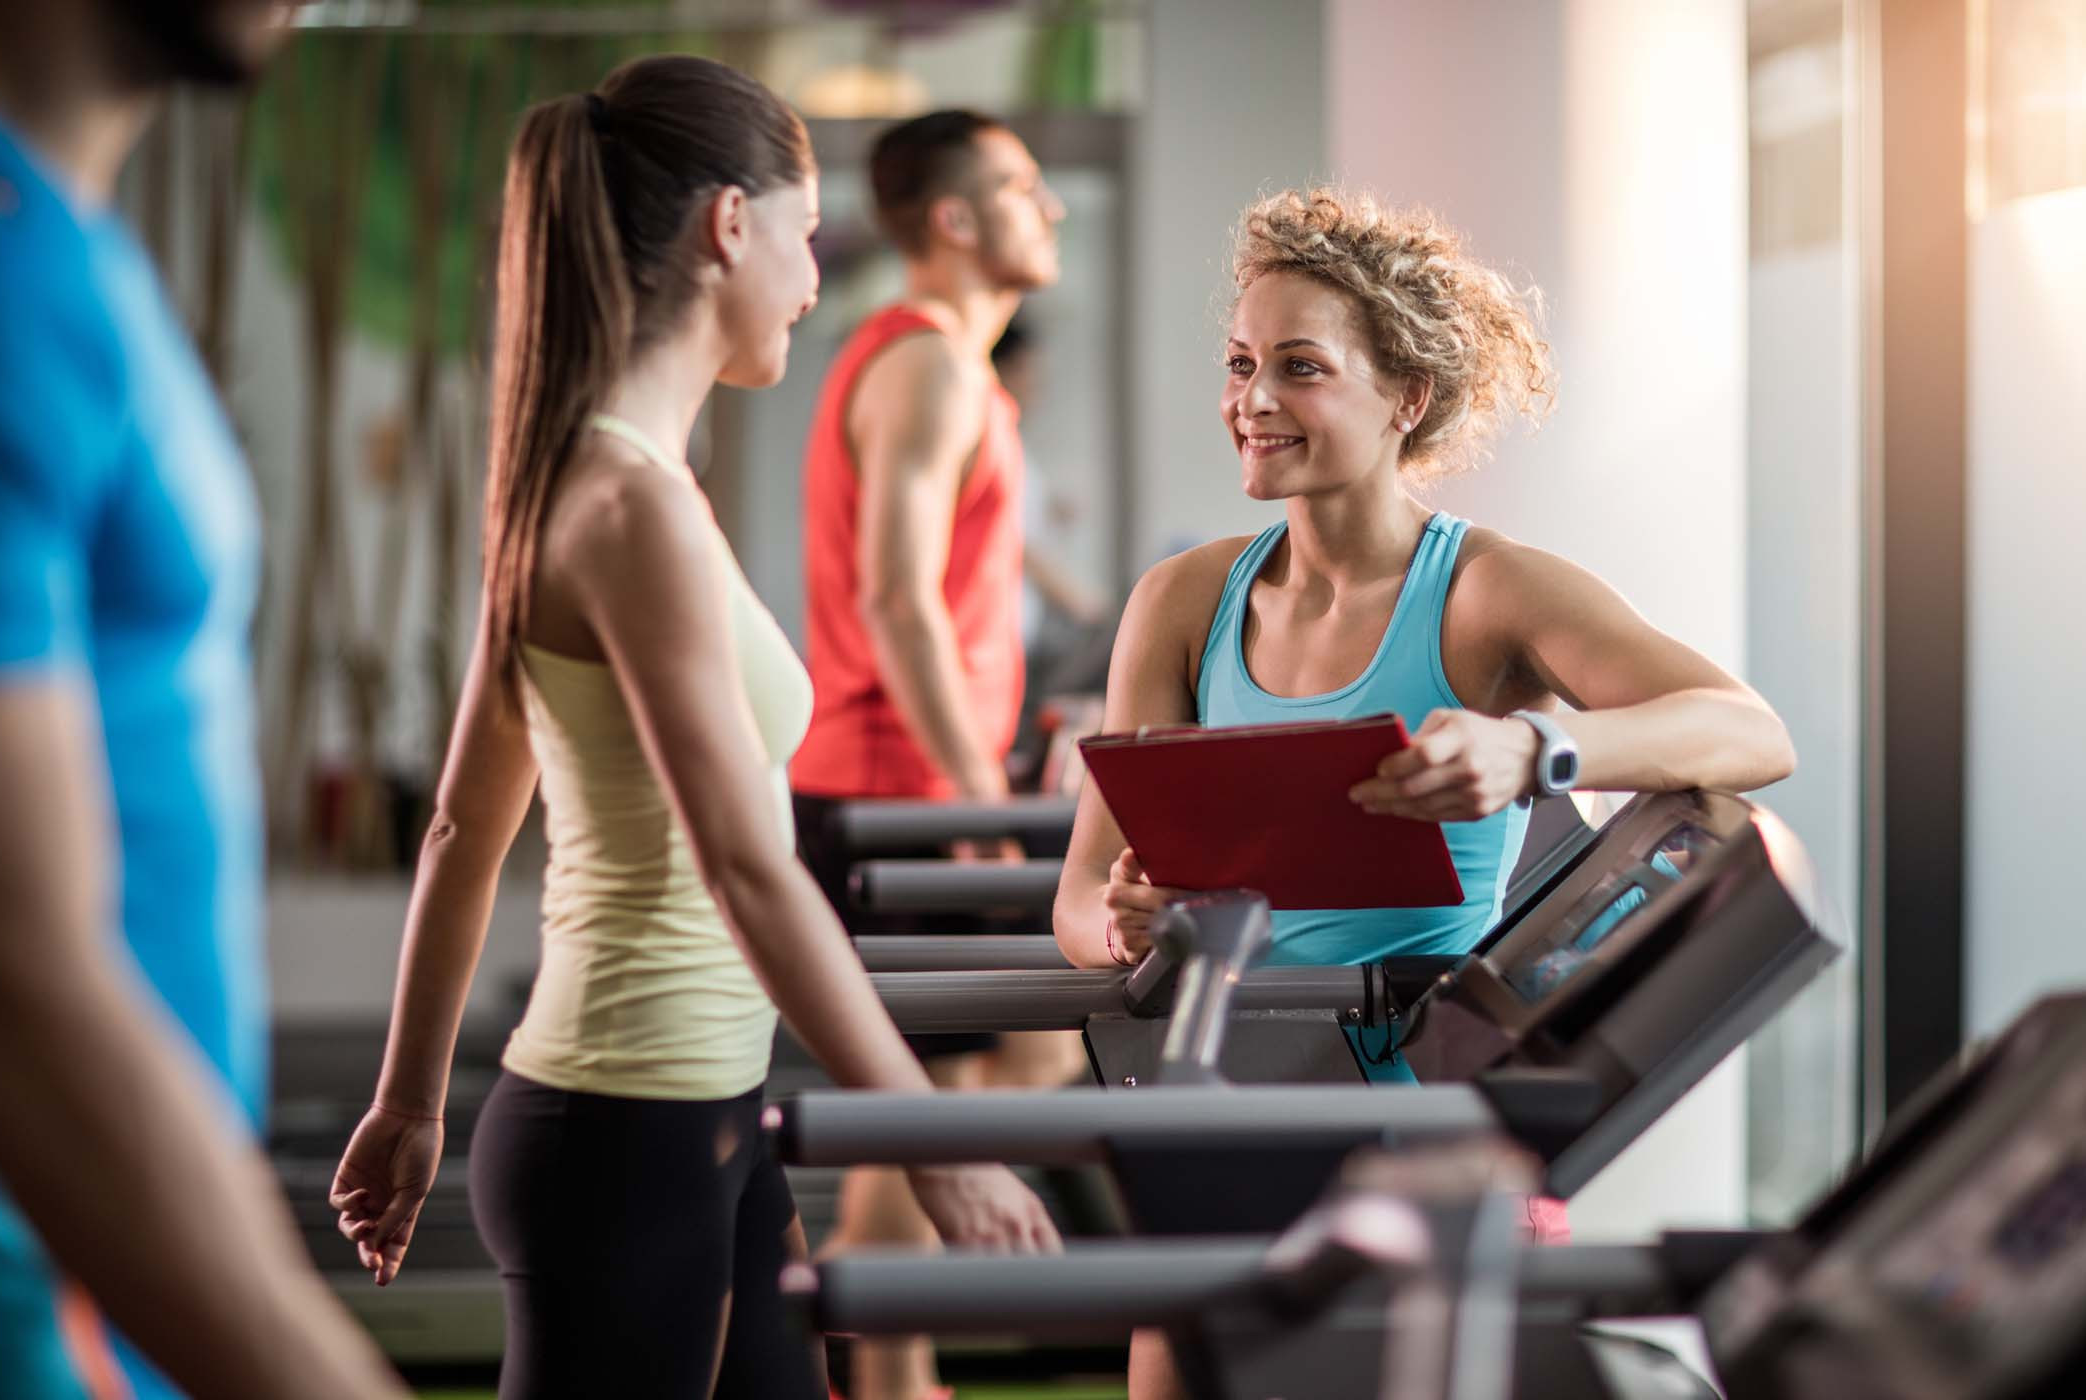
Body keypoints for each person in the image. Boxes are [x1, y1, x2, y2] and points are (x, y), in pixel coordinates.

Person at [324, 58, 1058, 1400]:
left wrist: (413, 1103)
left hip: (687, 1111)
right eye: (808, 232)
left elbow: (460, 827)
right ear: (731, 225)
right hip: (625, 1120)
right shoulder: (630, 505)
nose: (816, 276)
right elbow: (744, 863)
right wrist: (936, 1142)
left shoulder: (601, 478)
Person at [1050, 187, 1796, 1399]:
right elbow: (1081, 896)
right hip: (1226, 1097)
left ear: (1406, 396)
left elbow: (1749, 731)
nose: (1251, 400)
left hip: (1424, 1124)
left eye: (1299, 367)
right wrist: (1130, 926)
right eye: (1241, 364)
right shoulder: (1183, 601)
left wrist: (1538, 750)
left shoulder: (1489, 590)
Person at [0, 5, 412, 1399]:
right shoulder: (2, 273)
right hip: (42, 1303)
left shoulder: (71, 249)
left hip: (119, 1290)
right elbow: (11, 972)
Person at [785, 110, 1073, 1400]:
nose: (1049, 206)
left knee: (933, 1108)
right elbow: (900, 600)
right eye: (1021, 187)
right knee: (999, 1072)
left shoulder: (949, 368)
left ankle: (889, 1367)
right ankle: (878, 1354)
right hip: (892, 789)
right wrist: (979, 802)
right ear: (954, 220)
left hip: (891, 782)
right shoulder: (931, 368)